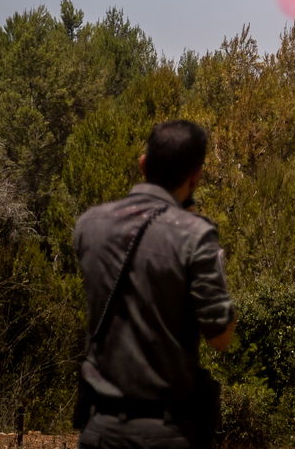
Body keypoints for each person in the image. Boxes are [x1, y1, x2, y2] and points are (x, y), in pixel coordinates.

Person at [74, 119, 236, 448]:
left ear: (143, 163)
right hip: (167, 431)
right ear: (196, 177)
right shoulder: (195, 235)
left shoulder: (89, 224)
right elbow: (220, 337)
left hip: (100, 428)